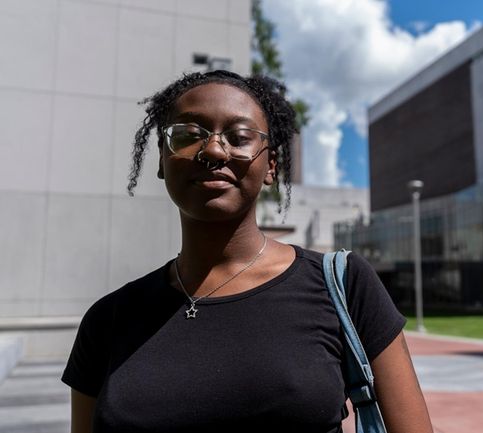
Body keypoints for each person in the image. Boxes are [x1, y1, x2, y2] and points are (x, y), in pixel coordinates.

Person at [62, 70, 433, 433]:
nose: (212, 149)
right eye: (189, 134)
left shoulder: (344, 286)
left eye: (239, 137)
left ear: (271, 166)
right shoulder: (107, 321)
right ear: (162, 159)